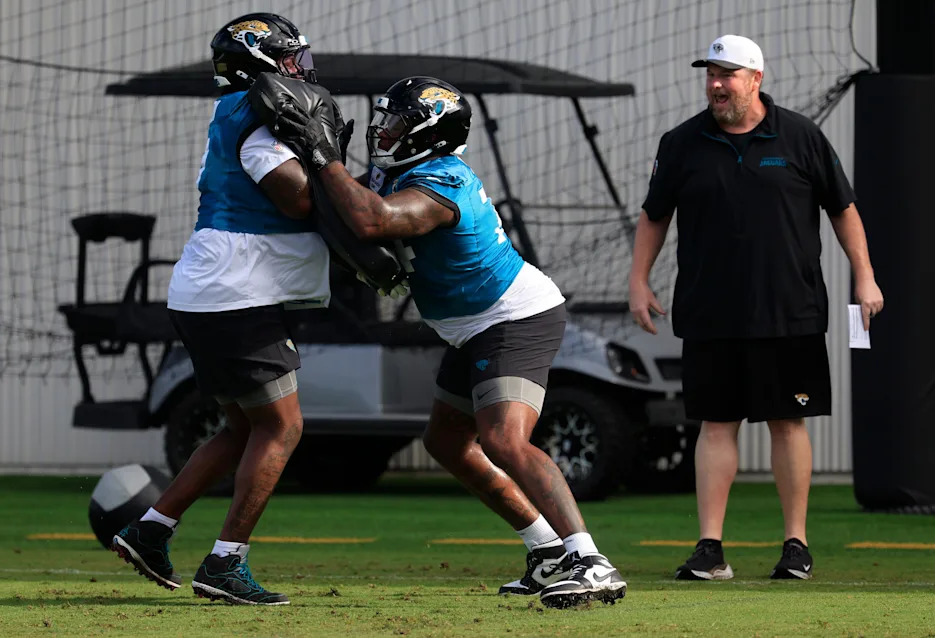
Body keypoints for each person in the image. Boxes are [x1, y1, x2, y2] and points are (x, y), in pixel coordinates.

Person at [249, 75, 627, 608]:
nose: (382, 130)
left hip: (513, 317)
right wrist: (303, 162)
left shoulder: (444, 180)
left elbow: (372, 219)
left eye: (396, 121)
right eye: (383, 119)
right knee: (447, 444)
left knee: (504, 439)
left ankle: (589, 561)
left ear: (429, 132)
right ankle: (546, 552)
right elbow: (330, 205)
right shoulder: (395, 172)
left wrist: (323, 156)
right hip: (468, 328)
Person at [628, 34, 884, 581]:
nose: (717, 85)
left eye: (728, 75)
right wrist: (639, 280)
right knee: (715, 425)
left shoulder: (800, 136)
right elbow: (655, 215)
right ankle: (710, 549)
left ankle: (796, 545)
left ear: (755, 80)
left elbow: (844, 209)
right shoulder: (681, 143)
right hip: (710, 312)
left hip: (789, 311)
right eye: (710, 75)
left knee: (788, 422)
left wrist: (864, 276)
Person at [110, 13, 345, 606]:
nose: (300, 69)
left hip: (217, 288)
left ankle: (150, 530)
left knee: (244, 427)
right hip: (239, 291)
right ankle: (224, 564)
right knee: (283, 427)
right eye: (289, 58)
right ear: (259, 63)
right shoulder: (260, 120)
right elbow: (294, 199)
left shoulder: (235, 112)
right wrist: (331, 168)